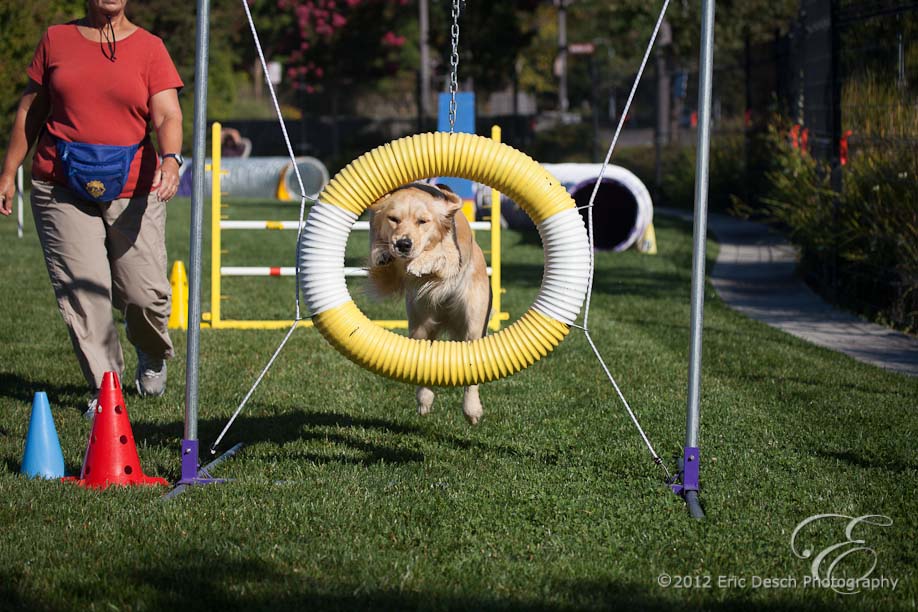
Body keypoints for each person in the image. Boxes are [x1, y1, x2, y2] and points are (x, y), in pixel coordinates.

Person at [0, 0, 183, 413]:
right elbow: (31, 110)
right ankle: (108, 388)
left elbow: (168, 114)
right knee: (84, 292)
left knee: (144, 293)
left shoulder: (150, 47)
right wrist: (9, 169)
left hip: (135, 183)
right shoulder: (56, 39)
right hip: (60, 183)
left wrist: (171, 159)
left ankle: (151, 352)